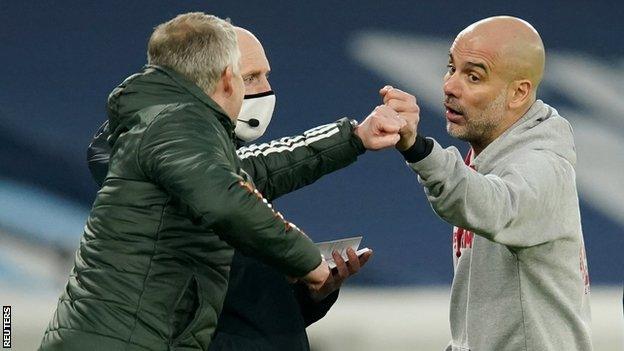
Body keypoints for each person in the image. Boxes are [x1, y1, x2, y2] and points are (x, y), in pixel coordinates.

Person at [39, 13, 407, 351]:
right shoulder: (174, 125)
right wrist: (309, 261)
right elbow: (227, 199)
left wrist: (354, 137)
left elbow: (252, 172)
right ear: (225, 78)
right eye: (251, 78)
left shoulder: (173, 131)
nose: (265, 90)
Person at [388, 16, 592, 351]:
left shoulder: (542, 165)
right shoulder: (488, 154)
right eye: (451, 68)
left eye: (473, 76)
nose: (450, 86)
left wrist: (417, 148)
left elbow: (493, 205)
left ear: (518, 92)